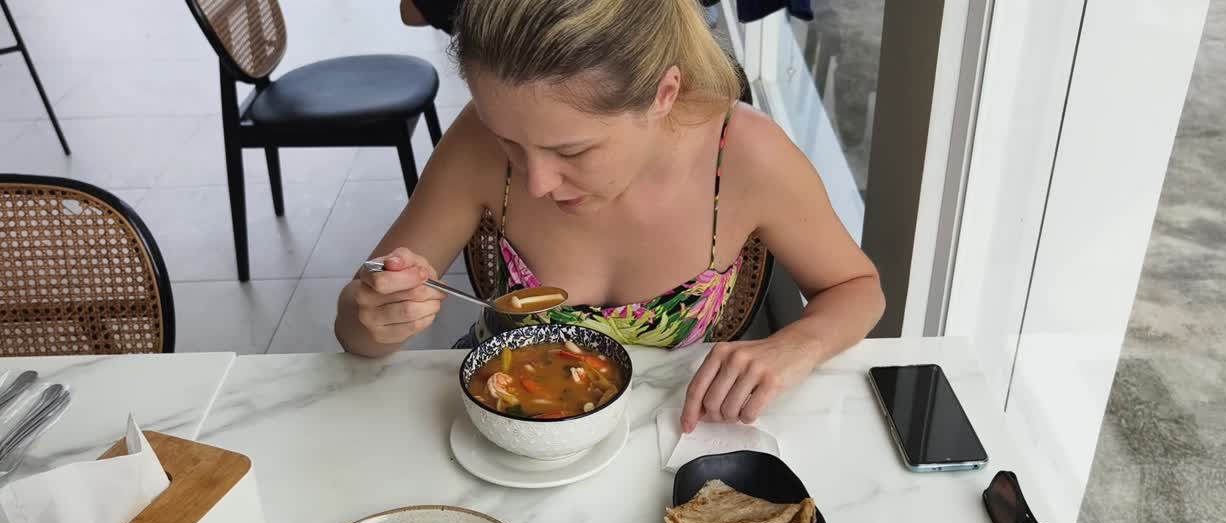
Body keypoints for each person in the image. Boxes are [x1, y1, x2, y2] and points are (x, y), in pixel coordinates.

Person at [337, 0, 884, 432]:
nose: (536, 182)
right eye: (511, 143)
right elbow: (355, 331)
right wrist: (376, 315)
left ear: (663, 94)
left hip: (678, 431)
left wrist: (799, 344)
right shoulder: (475, 145)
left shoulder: (744, 155)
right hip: (506, 427)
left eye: (572, 152)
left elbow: (858, 287)